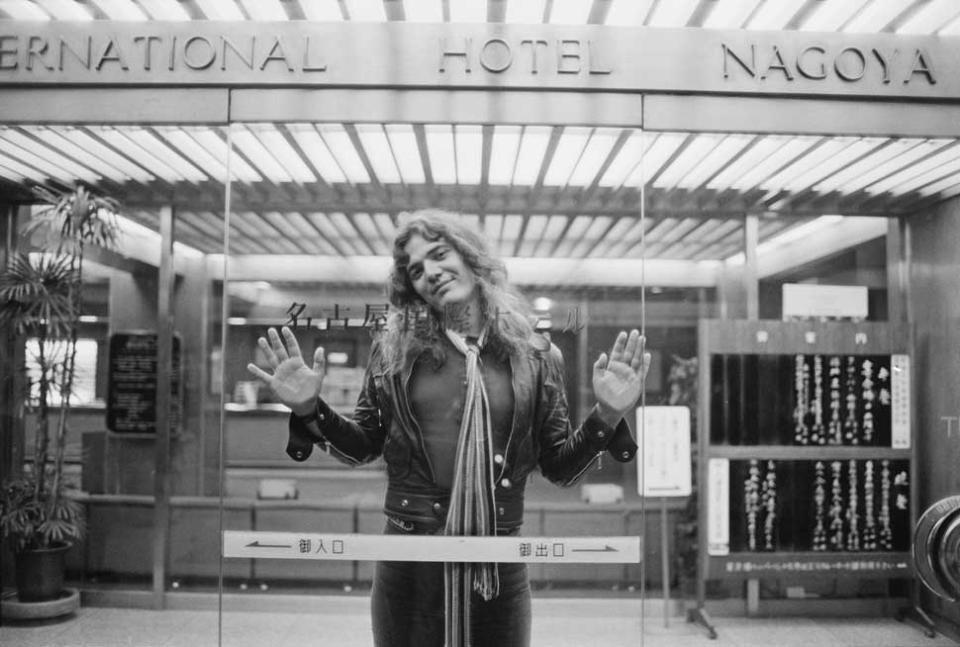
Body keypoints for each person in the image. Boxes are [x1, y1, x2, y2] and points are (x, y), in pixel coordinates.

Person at [247, 210, 650, 647]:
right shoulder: (394, 350)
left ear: (471, 256)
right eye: (416, 270)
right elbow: (364, 445)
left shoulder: (535, 355)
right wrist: (310, 409)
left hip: (498, 558)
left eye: (440, 254)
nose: (431, 274)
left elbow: (560, 468)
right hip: (408, 555)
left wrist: (607, 416)